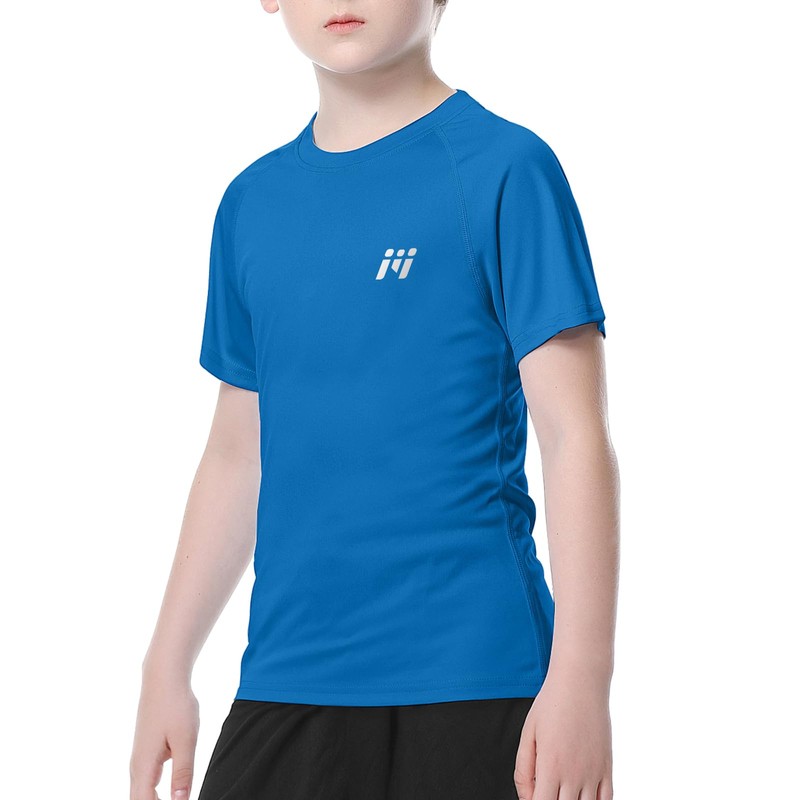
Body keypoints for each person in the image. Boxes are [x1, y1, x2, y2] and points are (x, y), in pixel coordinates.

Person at [129, 1, 620, 798]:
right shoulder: (252, 204)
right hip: (289, 677)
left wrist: (582, 680)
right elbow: (237, 454)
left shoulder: (505, 169)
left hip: (477, 678)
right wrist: (167, 664)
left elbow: (573, 435)